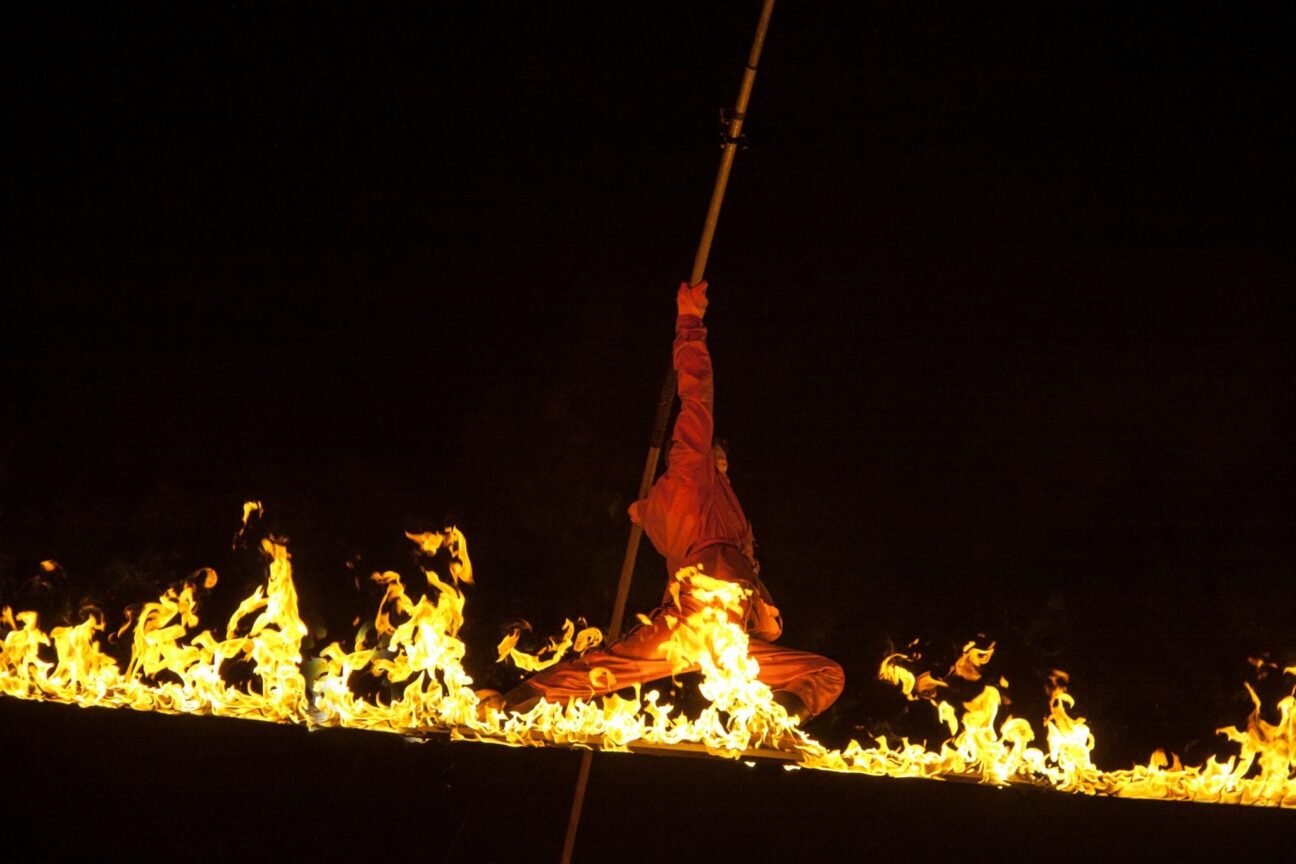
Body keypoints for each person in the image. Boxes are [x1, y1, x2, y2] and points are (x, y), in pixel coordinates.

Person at [488, 281, 844, 723]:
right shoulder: (692, 468)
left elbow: (661, 520)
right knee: (604, 670)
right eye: (719, 451)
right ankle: (509, 704)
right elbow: (696, 394)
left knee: (826, 674)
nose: (724, 458)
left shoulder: (716, 510)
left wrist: (643, 511)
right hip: (693, 615)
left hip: (728, 638)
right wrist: (690, 323)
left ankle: (775, 720)